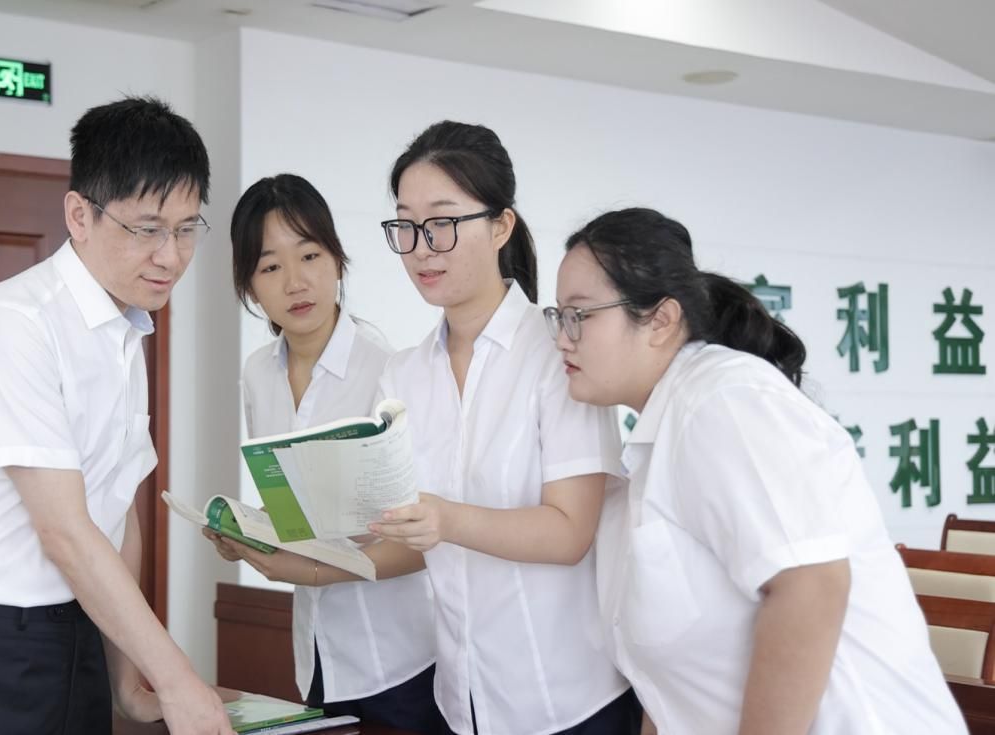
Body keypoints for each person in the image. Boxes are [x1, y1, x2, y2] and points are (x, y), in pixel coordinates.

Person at [0, 96, 233, 735]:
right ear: (79, 215)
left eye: (187, 229)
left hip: (74, 632)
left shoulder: (127, 331)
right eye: (147, 229)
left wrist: (126, 678)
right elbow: (65, 530)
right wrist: (178, 679)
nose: (171, 255)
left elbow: (118, 511)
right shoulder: (16, 323)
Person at [550, 206, 967, 735]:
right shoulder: (652, 445)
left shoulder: (724, 399)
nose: (561, 338)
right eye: (557, 316)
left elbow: (811, 585)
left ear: (660, 320)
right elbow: (670, 686)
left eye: (580, 315)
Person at [368, 121, 641, 735]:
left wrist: (447, 520)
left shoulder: (560, 353)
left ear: (500, 226)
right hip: (460, 699)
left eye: (442, 222)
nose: (421, 248)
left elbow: (570, 532)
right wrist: (305, 550)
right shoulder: (401, 374)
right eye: (406, 226)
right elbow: (408, 535)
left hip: (567, 702)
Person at [203, 173, 444, 734]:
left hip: (399, 660)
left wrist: (313, 570)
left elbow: (424, 539)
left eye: (310, 255)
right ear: (249, 287)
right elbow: (295, 511)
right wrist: (248, 535)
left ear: (337, 260)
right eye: (270, 267)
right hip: (315, 657)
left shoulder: (388, 372)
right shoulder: (258, 374)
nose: (296, 282)